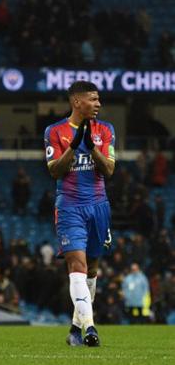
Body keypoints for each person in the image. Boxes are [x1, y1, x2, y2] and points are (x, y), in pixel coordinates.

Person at [44, 80, 115, 347]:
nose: (98, 104)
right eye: (93, 99)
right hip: (70, 206)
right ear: (77, 102)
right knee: (77, 266)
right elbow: (54, 171)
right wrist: (74, 146)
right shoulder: (55, 131)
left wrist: (92, 147)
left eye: (98, 100)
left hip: (98, 205)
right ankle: (90, 328)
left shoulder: (105, 129)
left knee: (92, 270)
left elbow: (108, 170)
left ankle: (75, 327)